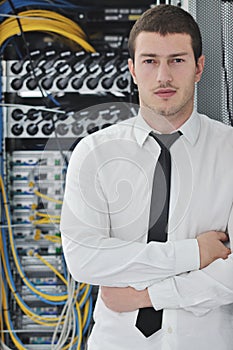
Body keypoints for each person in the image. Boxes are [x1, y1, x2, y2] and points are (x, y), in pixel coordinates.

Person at [60, 4, 233, 350]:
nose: (163, 77)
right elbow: (84, 259)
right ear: (133, 70)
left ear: (199, 68)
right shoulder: (94, 153)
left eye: (177, 60)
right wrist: (194, 254)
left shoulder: (229, 151)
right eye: (150, 61)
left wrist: (148, 295)